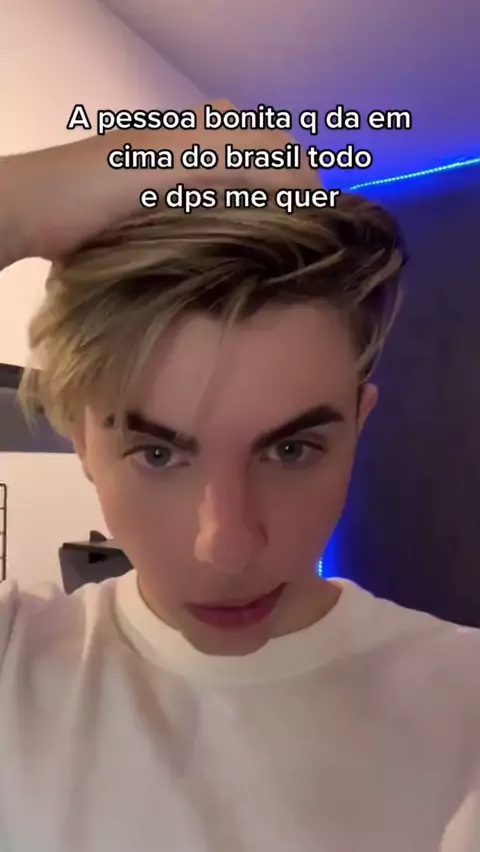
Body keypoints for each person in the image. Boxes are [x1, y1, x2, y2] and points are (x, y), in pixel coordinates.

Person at [0, 100, 479, 852]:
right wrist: (24, 203)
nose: (225, 546)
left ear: (359, 425)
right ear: (81, 441)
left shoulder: (465, 703)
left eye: (290, 451)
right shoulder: (12, 662)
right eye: (158, 454)